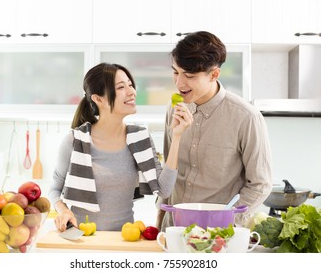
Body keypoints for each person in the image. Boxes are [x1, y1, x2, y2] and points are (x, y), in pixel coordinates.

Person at [49, 62, 192, 232]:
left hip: (124, 239)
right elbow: (54, 189)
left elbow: (164, 190)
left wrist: (177, 136)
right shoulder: (76, 141)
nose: (132, 92)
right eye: (121, 87)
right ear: (98, 98)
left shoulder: (139, 139)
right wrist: (63, 210)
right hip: (81, 238)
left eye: (131, 85)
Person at [157, 31, 273, 230]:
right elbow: (169, 170)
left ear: (214, 74)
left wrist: (228, 223)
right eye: (176, 72)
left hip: (218, 236)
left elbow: (260, 184)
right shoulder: (173, 107)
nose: (179, 83)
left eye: (190, 76)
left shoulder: (246, 117)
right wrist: (160, 220)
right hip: (173, 229)